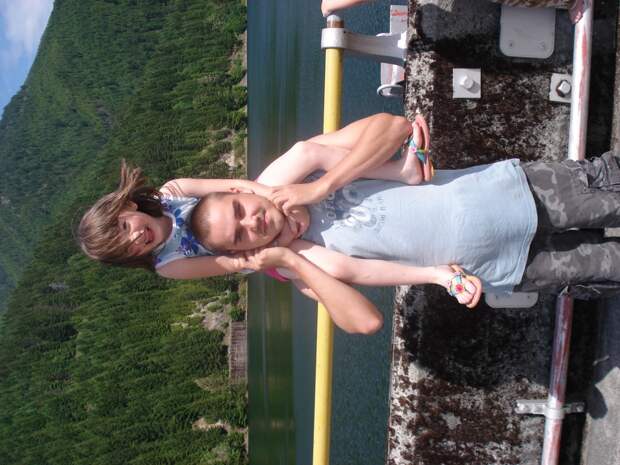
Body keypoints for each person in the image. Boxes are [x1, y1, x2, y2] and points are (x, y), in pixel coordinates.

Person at [78, 113, 473, 335]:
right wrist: (280, 239)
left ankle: (400, 171)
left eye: (125, 227)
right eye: (127, 248)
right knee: (340, 268)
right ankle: (435, 275)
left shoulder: (172, 191)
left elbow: (237, 187)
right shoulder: (169, 265)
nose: (136, 237)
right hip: (257, 248)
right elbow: (235, 263)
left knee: (306, 152)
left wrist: (282, 202)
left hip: (249, 208)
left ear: (127, 205)